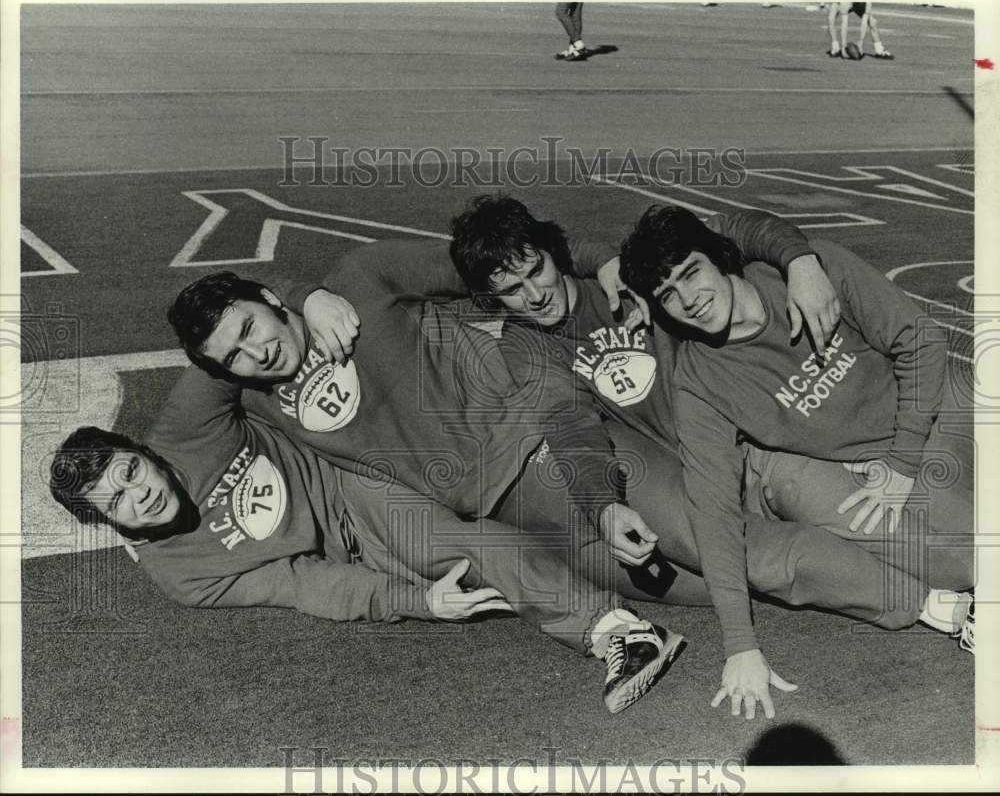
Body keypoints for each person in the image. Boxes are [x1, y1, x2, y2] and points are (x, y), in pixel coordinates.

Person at [446, 195, 974, 720]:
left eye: (535, 271)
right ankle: (938, 609)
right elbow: (569, 423)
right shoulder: (526, 344)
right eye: (511, 291)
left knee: (954, 549)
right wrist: (602, 504)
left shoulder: (630, 275)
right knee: (731, 543)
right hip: (708, 456)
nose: (534, 295)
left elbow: (734, 229)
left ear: (554, 252)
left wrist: (800, 259)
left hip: (779, 440)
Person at [49, 362, 686, 714]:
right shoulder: (180, 575)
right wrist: (416, 603)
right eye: (119, 502)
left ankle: (621, 633)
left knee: (452, 545)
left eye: (131, 471)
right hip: (347, 550)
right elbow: (301, 583)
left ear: (140, 451)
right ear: (107, 524)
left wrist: (307, 297)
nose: (143, 494)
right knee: (452, 571)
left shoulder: (186, 425)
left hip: (351, 480)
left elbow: (229, 336)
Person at [615, 204, 974, 708]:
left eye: (690, 274)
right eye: (667, 295)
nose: (688, 300)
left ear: (719, 259)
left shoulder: (808, 272)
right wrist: (741, 645)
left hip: (935, 412)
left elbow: (919, 342)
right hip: (871, 469)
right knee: (974, 560)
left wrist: (903, 460)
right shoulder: (699, 384)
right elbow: (713, 513)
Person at [827, 2, 894, 59]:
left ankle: (879, 50)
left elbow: (864, 22)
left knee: (873, 22)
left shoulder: (867, 2)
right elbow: (844, 24)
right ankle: (835, 48)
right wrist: (843, 46)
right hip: (845, 3)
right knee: (831, 18)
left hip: (856, 5)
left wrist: (861, 42)